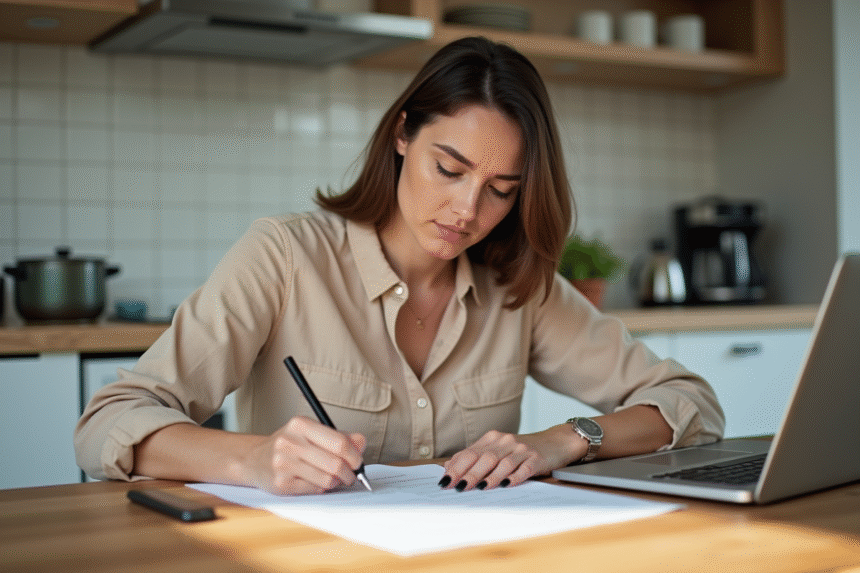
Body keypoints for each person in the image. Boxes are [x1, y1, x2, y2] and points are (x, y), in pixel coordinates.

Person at [75, 36, 724, 495]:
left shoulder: (518, 286)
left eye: (501, 188)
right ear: (403, 134)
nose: (467, 209)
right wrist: (252, 459)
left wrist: (566, 438)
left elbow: (689, 402)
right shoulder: (284, 256)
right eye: (450, 167)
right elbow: (110, 420)